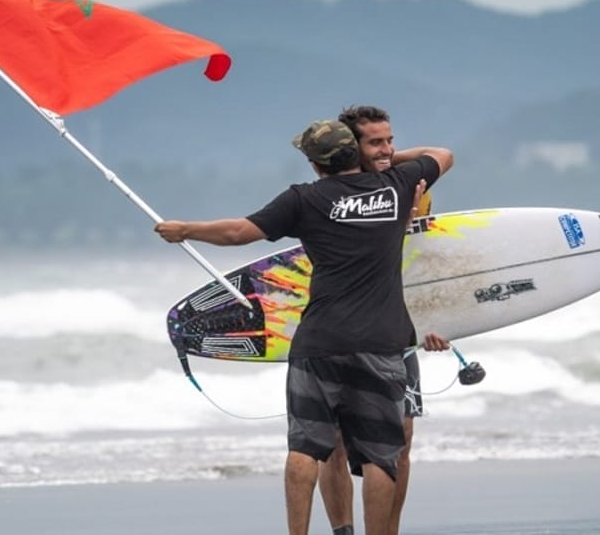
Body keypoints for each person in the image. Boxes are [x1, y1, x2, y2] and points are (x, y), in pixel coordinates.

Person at [155, 119, 453, 535]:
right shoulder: (397, 185)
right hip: (380, 342)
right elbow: (442, 155)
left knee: (305, 447)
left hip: (319, 342)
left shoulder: (304, 199)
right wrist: (389, 160)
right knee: (380, 456)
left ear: (315, 165)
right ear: (355, 152)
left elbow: (239, 232)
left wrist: (186, 230)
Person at [317, 105, 450, 535]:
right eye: (375, 142)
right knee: (334, 441)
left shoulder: (405, 182)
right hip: (340, 329)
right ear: (348, 147)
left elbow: (422, 259)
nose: (387, 149)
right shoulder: (329, 194)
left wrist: (437, 320)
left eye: (389, 140)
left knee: (401, 440)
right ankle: (342, 531)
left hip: (397, 327)